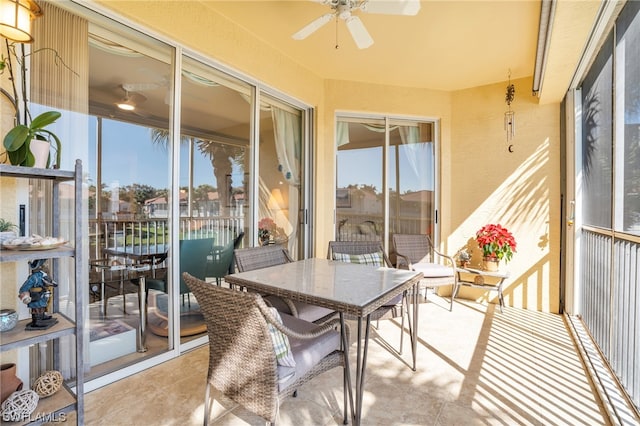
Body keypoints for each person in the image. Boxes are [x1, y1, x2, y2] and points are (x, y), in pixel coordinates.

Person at [18, 259, 58, 330]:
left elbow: (48, 280)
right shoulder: (34, 277)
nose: (45, 266)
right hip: (36, 295)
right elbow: (25, 287)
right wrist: (24, 293)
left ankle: (42, 317)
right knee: (37, 306)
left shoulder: (43, 274)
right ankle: (37, 321)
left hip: (42, 293)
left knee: (42, 305)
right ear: (39, 267)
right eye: (43, 265)